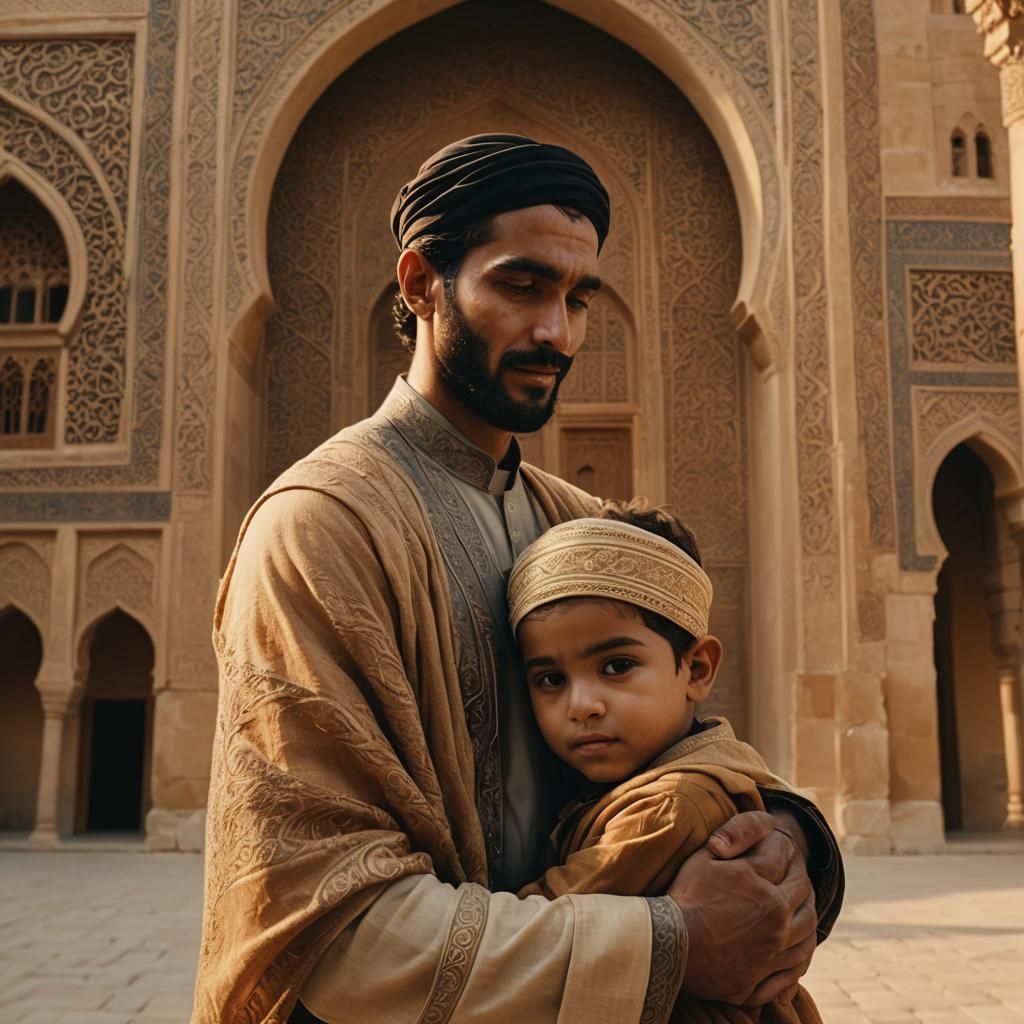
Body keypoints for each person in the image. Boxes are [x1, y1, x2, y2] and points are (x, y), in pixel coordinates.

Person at [191, 134, 842, 1024]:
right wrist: (675, 942)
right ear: (421, 283)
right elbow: (331, 930)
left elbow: (680, 749)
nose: (556, 333)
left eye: (578, 299)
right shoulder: (321, 529)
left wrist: (788, 839)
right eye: (522, 287)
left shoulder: (577, 524)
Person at [510, 502, 825, 1022]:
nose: (581, 704)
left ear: (696, 669)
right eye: (551, 679)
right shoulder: (695, 769)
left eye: (617, 666)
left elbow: (543, 926)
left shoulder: (667, 807)